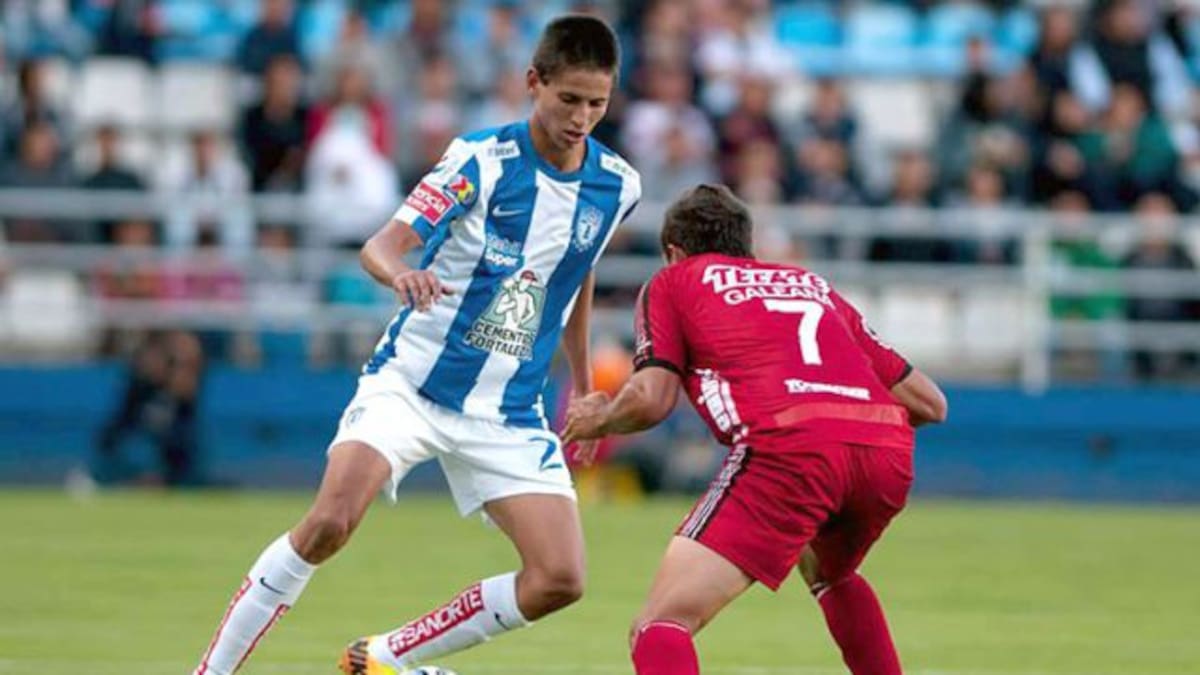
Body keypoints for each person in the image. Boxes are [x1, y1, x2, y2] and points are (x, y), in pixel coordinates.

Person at [191, 15, 640, 675]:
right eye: (567, 99)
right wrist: (402, 273)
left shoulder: (617, 185)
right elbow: (382, 244)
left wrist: (586, 388)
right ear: (532, 82)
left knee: (561, 577)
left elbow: (574, 276)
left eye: (596, 103)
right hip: (413, 383)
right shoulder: (479, 162)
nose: (581, 117)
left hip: (508, 410)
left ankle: (384, 656)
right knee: (330, 522)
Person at [563, 184, 947, 675]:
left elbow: (653, 398)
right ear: (749, 248)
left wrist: (600, 417)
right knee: (830, 570)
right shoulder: (808, 283)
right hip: (884, 453)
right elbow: (931, 404)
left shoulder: (675, 281)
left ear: (674, 253)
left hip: (792, 450)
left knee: (659, 626)